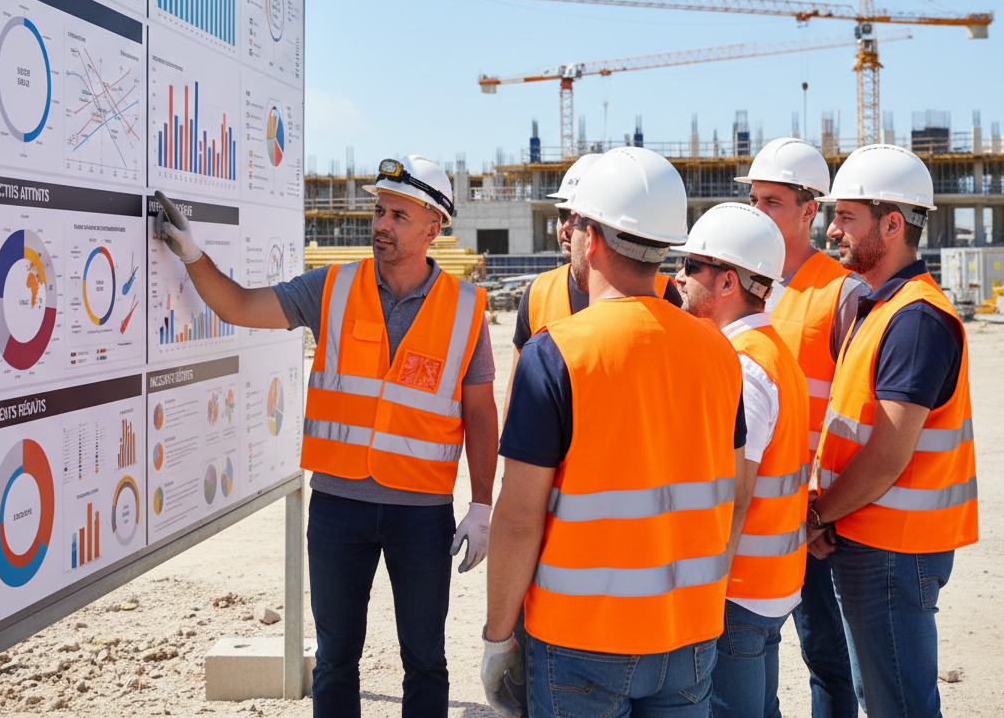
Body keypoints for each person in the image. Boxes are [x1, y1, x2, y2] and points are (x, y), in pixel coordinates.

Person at [153, 154, 500, 718]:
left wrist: (482, 505)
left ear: (433, 228)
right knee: (336, 660)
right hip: (340, 508)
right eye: (379, 211)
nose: (381, 224)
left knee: (425, 661)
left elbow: (481, 413)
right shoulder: (332, 287)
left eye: (399, 216)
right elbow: (240, 305)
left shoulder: (466, 309)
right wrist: (193, 255)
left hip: (422, 513)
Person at [480, 147, 747, 718]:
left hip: (581, 638)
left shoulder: (556, 354)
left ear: (592, 238)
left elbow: (519, 517)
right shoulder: (720, 353)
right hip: (689, 634)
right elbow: (735, 495)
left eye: (574, 221)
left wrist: (498, 636)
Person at [809, 143, 978, 718]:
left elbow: (886, 456)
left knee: (899, 706)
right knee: (880, 698)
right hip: (870, 537)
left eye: (846, 217)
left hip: (893, 550)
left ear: (892, 224)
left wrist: (819, 514)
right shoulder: (882, 307)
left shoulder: (915, 319)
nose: (833, 230)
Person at [735, 137, 866, 717]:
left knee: (827, 659)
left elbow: (853, 411)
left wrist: (824, 511)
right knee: (750, 651)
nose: (758, 211)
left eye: (773, 201)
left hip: (812, 515)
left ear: (810, 209)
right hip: (756, 510)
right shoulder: (741, 278)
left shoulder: (842, 291)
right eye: (754, 200)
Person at [676, 202, 809, 718]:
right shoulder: (770, 351)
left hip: (738, 591)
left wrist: (704, 594)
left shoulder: (744, 366)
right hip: (768, 584)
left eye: (691, 265)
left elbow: (734, 494)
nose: (679, 277)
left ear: (728, 281)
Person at [510, 153, 682, 396]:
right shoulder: (538, 293)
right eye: (562, 215)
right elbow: (517, 391)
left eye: (577, 218)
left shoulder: (665, 292)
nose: (567, 227)